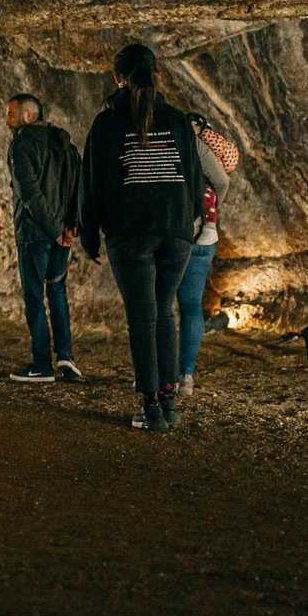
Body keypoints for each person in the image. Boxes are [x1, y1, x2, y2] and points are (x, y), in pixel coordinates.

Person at [80, 43, 204, 432]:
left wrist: (88, 233)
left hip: (131, 231)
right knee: (164, 311)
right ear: (156, 74)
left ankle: (150, 407)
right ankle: (168, 401)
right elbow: (195, 179)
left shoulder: (107, 123)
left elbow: (93, 182)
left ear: (117, 77)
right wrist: (189, 221)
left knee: (142, 317)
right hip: (176, 230)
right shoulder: (180, 120)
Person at [5, 93, 83, 384]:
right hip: (61, 234)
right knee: (58, 293)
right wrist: (70, 226)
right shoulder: (64, 142)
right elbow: (79, 185)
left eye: (11, 113)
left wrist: (53, 229)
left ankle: (41, 364)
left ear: (28, 115)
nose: (7, 119)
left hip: (36, 233)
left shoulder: (22, 142)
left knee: (34, 297)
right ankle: (65, 357)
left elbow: (29, 192)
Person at [177, 113, 239, 394]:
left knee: (159, 305)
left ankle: (156, 372)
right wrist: (211, 207)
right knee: (191, 306)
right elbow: (222, 181)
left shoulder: (171, 141)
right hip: (205, 233)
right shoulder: (205, 144)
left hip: (172, 231)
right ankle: (185, 376)